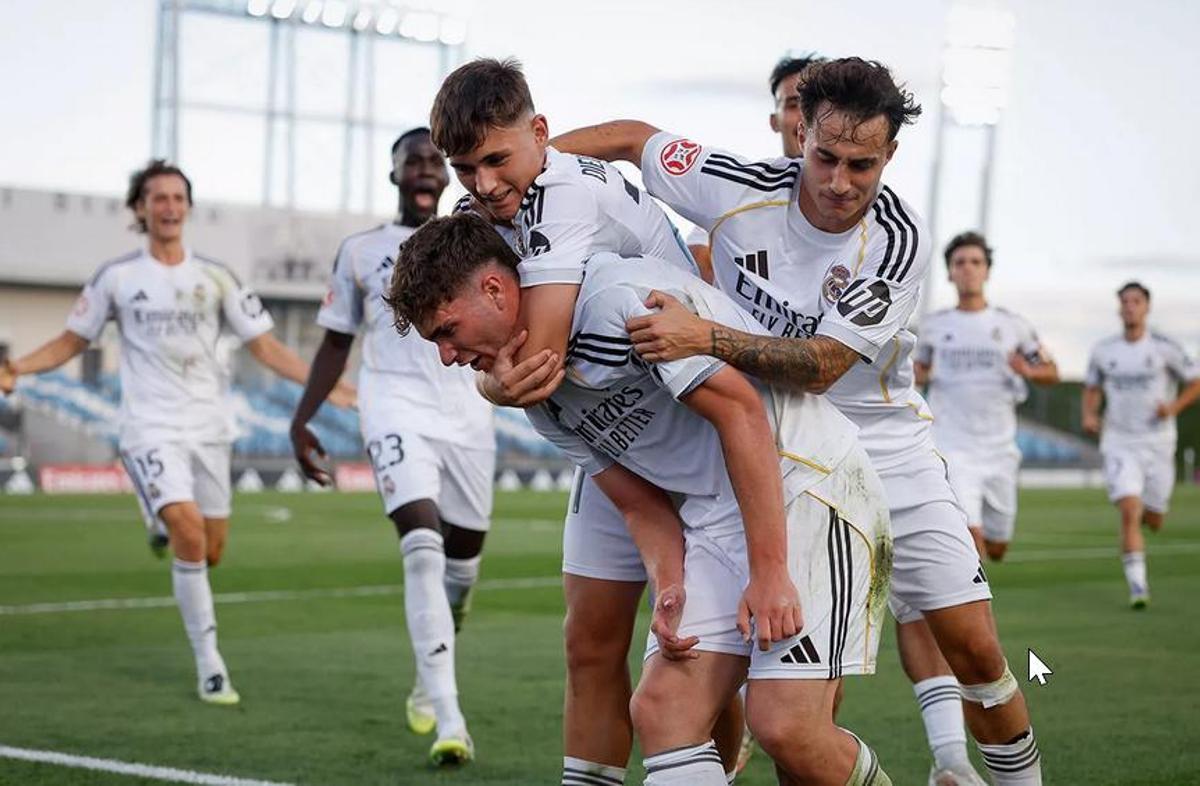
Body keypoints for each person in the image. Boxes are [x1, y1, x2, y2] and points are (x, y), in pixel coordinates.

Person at [550, 57, 1042, 786]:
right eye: (826, 157)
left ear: (890, 155)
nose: (841, 183)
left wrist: (706, 337)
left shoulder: (896, 240)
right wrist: (522, 189)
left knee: (976, 653)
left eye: (862, 165)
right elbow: (630, 137)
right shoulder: (738, 187)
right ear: (798, 132)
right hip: (777, 454)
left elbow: (822, 366)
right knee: (795, 711)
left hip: (887, 453)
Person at [385, 212, 894, 786]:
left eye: (447, 331)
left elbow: (740, 411)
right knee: (663, 711)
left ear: (495, 289)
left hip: (806, 486)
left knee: (784, 728)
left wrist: (770, 571)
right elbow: (638, 504)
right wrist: (671, 583)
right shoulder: (535, 393)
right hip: (716, 517)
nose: (447, 356)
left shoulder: (614, 303)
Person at [428, 58, 749, 783]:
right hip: (605, 421)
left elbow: (533, 363)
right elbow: (504, 356)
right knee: (589, 640)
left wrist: (488, 384)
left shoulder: (563, 192)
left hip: (682, 422)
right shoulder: (499, 197)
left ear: (540, 134)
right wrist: (491, 374)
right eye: (463, 167)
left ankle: (716, 771)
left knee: (690, 651)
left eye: (496, 160)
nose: (481, 185)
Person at [0, 160, 351, 705]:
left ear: (187, 207)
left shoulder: (217, 276)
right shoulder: (116, 277)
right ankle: (211, 665)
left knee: (210, 552)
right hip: (149, 426)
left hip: (210, 427)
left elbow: (266, 345)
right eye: (157, 198)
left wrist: (324, 385)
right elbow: (73, 340)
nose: (168, 207)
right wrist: (17, 366)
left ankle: (155, 515)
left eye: (177, 198)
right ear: (139, 209)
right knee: (187, 533)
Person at [287, 129, 493, 765]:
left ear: (448, 173)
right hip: (392, 407)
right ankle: (449, 718)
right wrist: (302, 420)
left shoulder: (476, 238)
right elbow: (333, 343)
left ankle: (429, 667)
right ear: (395, 174)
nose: (425, 171)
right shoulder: (361, 251)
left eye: (435, 161)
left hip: (468, 412)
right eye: (414, 162)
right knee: (423, 549)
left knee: (463, 563)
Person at [915, 231, 1059, 562]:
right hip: (951, 445)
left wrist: (1028, 370)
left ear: (987, 271)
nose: (968, 269)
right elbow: (918, 371)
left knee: (997, 547)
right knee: (968, 537)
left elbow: (1052, 372)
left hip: (999, 451)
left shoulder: (1013, 326)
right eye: (960, 263)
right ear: (950, 272)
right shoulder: (935, 326)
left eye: (975, 262)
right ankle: (973, 611)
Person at [1082, 281, 1200, 609]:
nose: (1130, 306)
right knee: (1129, 510)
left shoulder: (1165, 348)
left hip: (1159, 443)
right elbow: (1091, 387)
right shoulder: (1104, 350)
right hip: (1119, 441)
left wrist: (1173, 408)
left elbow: (1195, 381)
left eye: (1136, 301)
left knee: (1154, 518)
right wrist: (1090, 414)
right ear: (1119, 308)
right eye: (1125, 301)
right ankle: (1138, 588)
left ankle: (1153, 511)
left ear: (1147, 307)